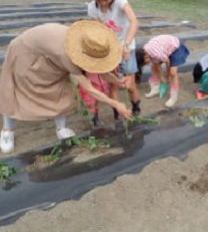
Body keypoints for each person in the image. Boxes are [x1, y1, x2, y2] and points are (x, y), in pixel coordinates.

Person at [0, 20, 132, 154]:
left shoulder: (87, 44)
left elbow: (99, 68)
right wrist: (116, 104)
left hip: (50, 55)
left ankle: (61, 128)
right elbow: (89, 88)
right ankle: (7, 130)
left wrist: (118, 81)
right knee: (15, 91)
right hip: (26, 53)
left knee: (61, 92)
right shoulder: (68, 54)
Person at [87, 0, 140, 118]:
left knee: (130, 85)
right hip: (110, 51)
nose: (102, 3)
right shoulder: (92, 8)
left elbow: (134, 22)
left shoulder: (120, 1)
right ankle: (118, 115)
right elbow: (101, 33)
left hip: (127, 48)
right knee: (114, 86)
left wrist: (126, 45)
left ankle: (136, 110)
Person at [136, 35, 190, 108]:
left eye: (144, 63)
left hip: (175, 47)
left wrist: (167, 76)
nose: (145, 64)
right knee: (153, 67)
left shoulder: (155, 54)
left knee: (173, 73)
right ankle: (155, 89)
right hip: (164, 49)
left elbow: (167, 62)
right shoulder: (146, 53)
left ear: (145, 57)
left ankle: (174, 98)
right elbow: (157, 65)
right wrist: (162, 78)